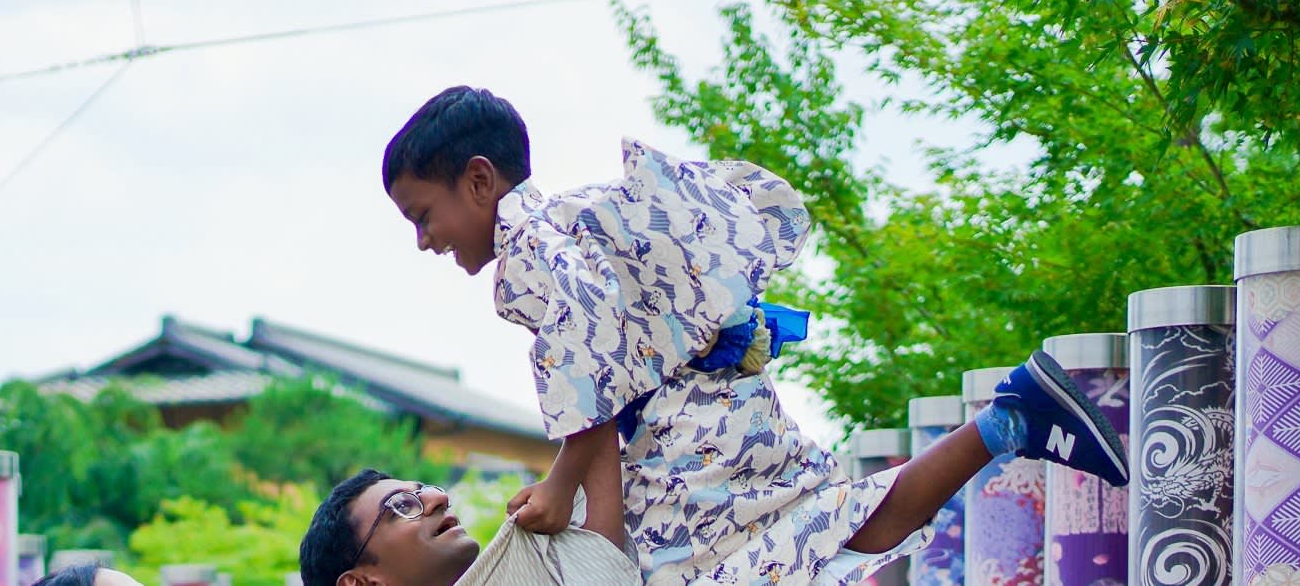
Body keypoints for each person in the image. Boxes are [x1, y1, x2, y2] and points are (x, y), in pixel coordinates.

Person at [340, 86, 1128, 585]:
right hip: (706, 411)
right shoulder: (569, 219)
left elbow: (589, 356)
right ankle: (1011, 419)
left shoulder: (529, 251)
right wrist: (582, 498)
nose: (424, 240)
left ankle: (1013, 417)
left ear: (480, 180)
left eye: (423, 216)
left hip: (686, 438)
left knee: (796, 545)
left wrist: (557, 484)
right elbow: (604, 387)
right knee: (836, 526)